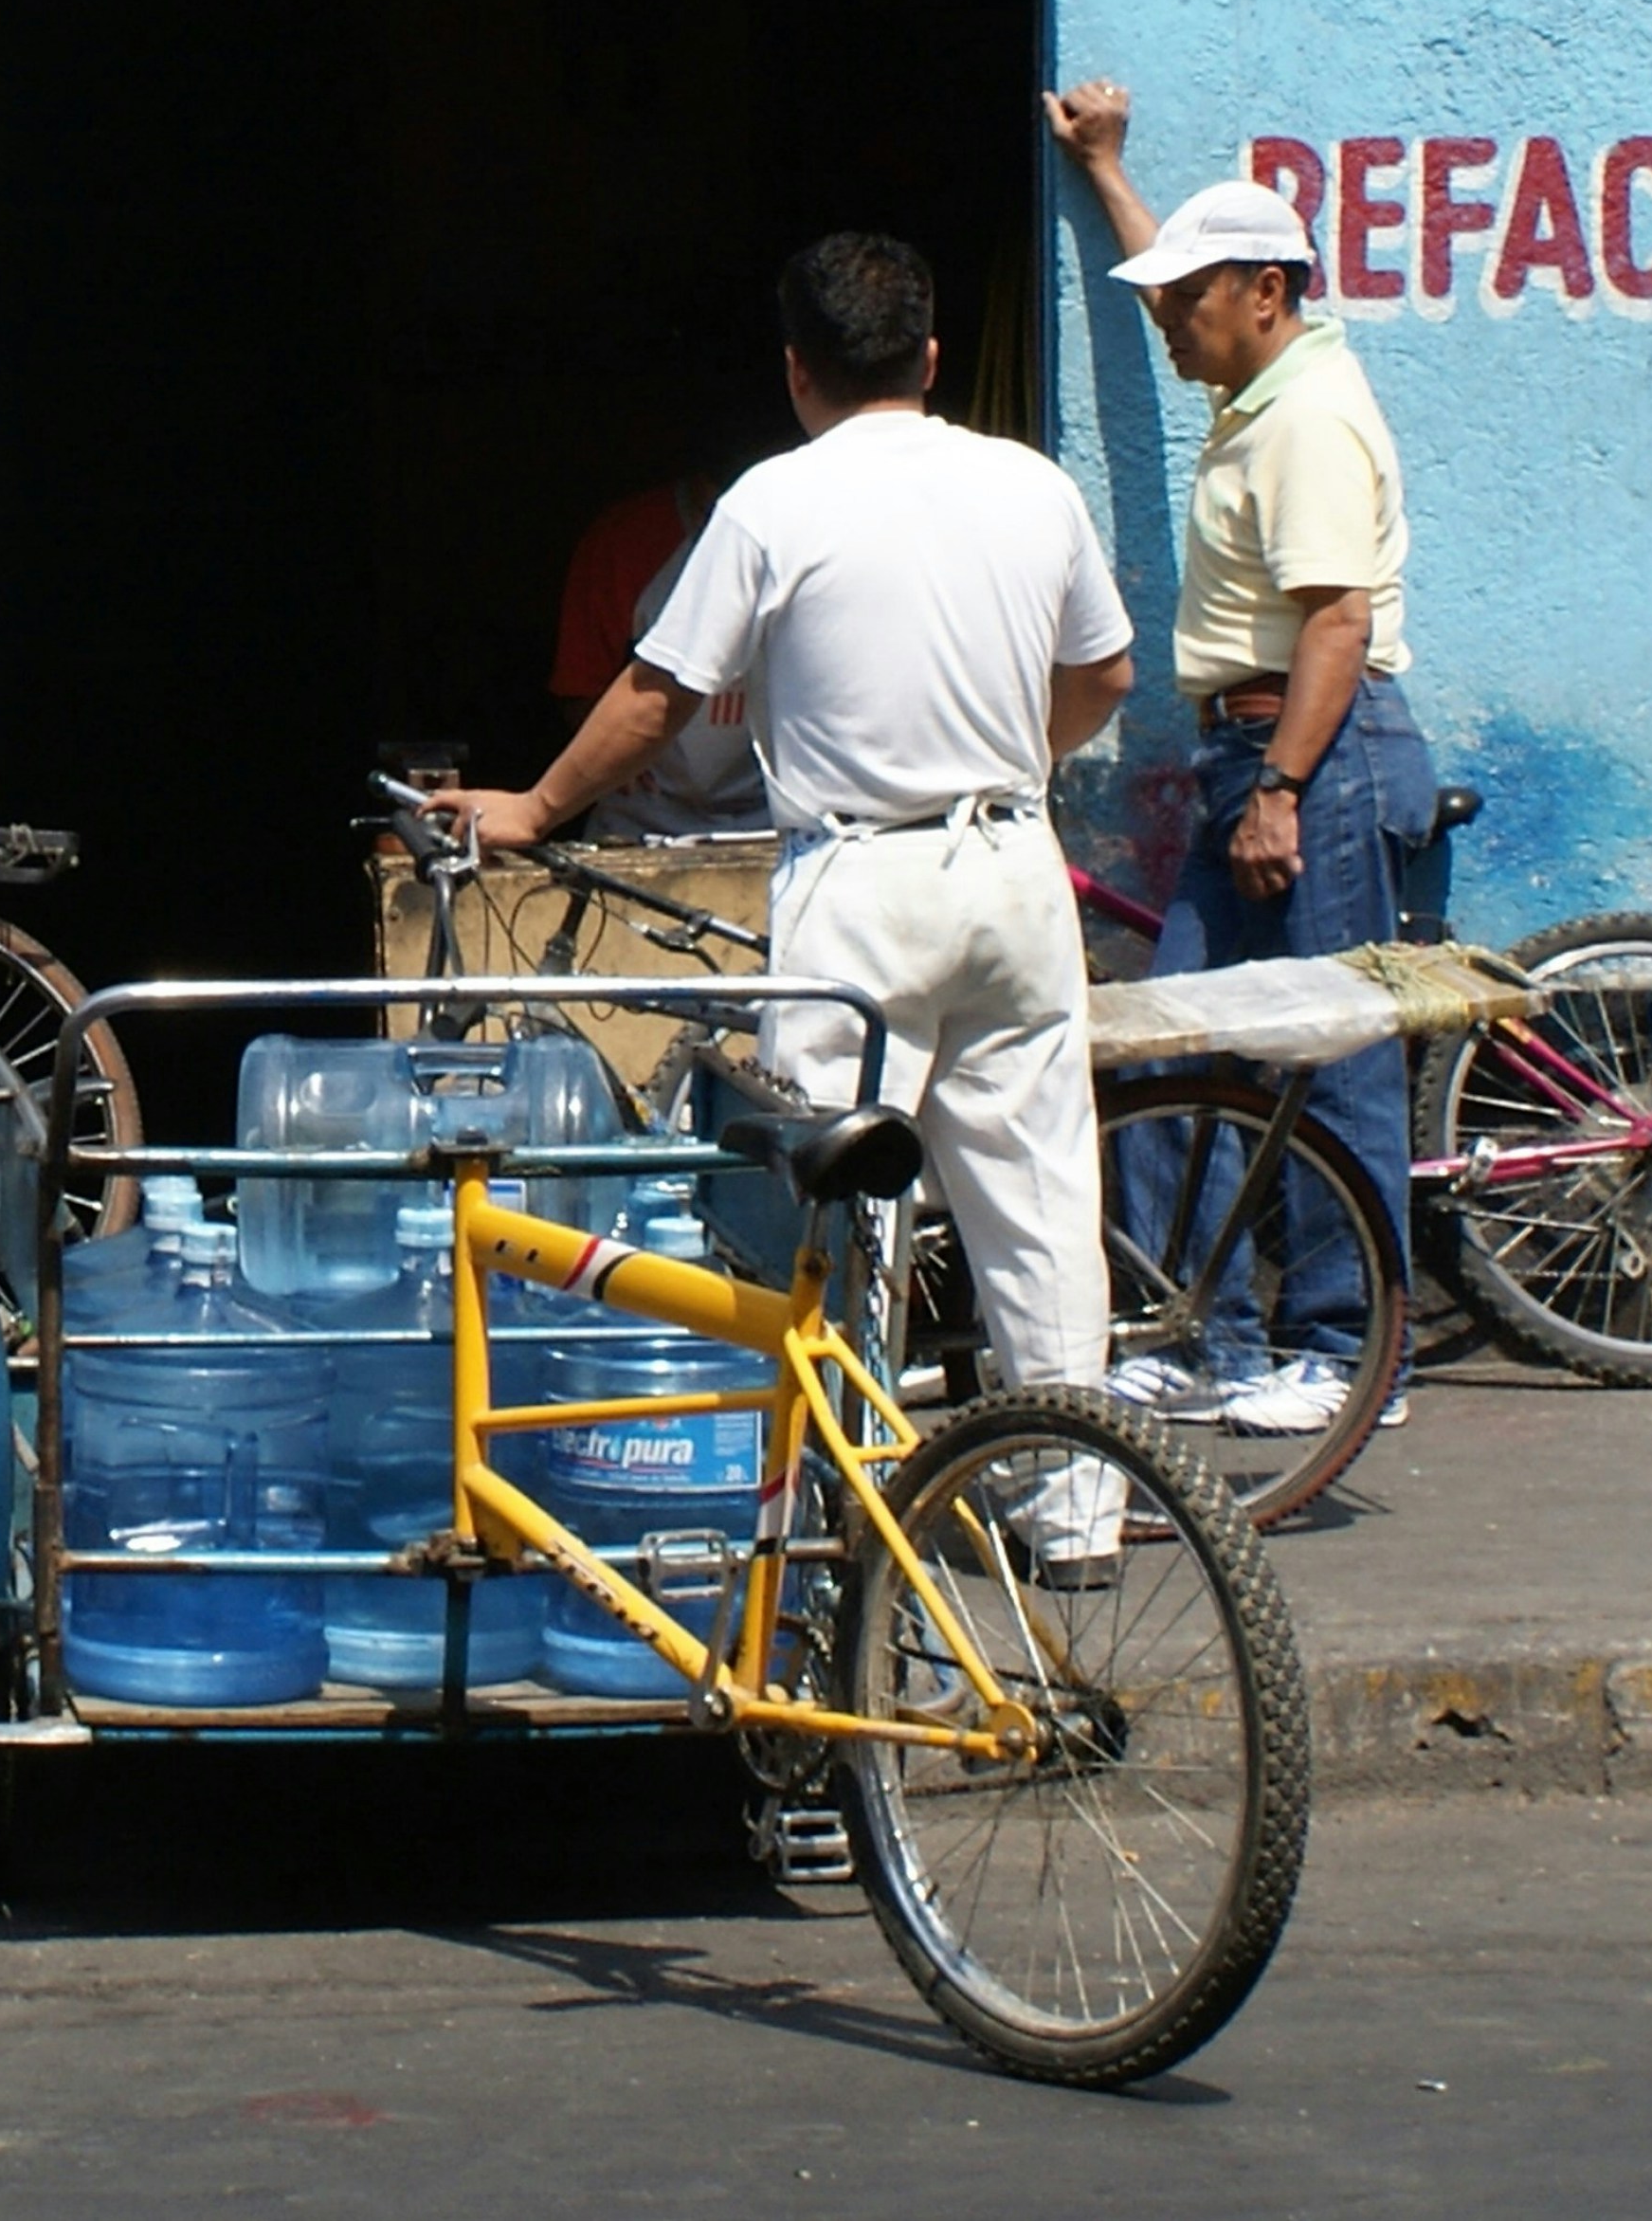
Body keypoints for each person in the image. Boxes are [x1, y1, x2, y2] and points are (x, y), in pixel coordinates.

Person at [440, 234, 1137, 1528]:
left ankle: (843, 1504)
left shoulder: (776, 501)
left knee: (832, 1214)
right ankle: (1078, 1515)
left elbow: (658, 695)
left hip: (860, 886)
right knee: (1038, 1201)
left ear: (797, 372)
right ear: (929, 358)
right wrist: (1000, 765)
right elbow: (1104, 676)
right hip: (1009, 865)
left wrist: (534, 810)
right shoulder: (1033, 487)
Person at [1048, 78, 1438, 1441]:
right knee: (1171, 1046)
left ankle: (1350, 1351)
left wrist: (1278, 787)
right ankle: (1193, 1329)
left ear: (1264, 292)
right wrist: (1109, 173)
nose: (1165, 321)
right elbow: (1182, 268)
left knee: (1330, 1058)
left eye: (1186, 302)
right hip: (1253, 760)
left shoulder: (1311, 417)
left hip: (1311, 758)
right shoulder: (1261, 385)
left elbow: (1336, 617)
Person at [542, 439, 772, 842]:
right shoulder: (628, 539)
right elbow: (581, 687)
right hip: (644, 818)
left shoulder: (802, 539)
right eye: (712, 513)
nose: (725, 533)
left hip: (774, 817)